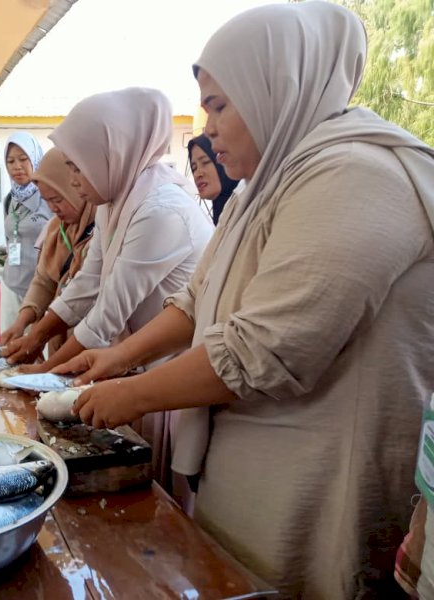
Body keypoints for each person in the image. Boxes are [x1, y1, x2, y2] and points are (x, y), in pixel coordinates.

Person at [56, 3, 434, 597]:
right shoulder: (263, 186)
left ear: (275, 87)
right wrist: (113, 359)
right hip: (251, 460)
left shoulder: (358, 176)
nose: (206, 125)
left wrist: (126, 395)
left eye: (219, 105)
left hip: (318, 474)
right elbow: (195, 299)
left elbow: (262, 351)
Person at [3, 88, 213, 488]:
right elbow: (85, 285)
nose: (75, 182)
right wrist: (37, 338)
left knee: (156, 493)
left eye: (77, 168)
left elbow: (107, 312)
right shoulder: (114, 203)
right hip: (132, 365)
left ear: (110, 156)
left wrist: (46, 369)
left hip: (169, 374)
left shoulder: (160, 210)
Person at [0, 148, 95, 354]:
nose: (52, 208)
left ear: (76, 190)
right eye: (47, 201)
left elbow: (84, 294)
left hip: (91, 346)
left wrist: (36, 337)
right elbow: (43, 281)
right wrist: (21, 323)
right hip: (59, 341)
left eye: (57, 200)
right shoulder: (55, 229)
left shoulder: (102, 233)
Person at [0, 132, 52, 331]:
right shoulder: (9, 199)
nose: (17, 166)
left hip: (41, 288)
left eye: (23, 159)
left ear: (35, 159)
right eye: (10, 161)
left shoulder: (49, 197)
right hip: (11, 285)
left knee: (38, 350)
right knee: (9, 347)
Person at [187, 134, 239, 225]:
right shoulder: (221, 219)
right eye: (194, 168)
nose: (197, 174)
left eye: (205, 162)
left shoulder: (247, 216)